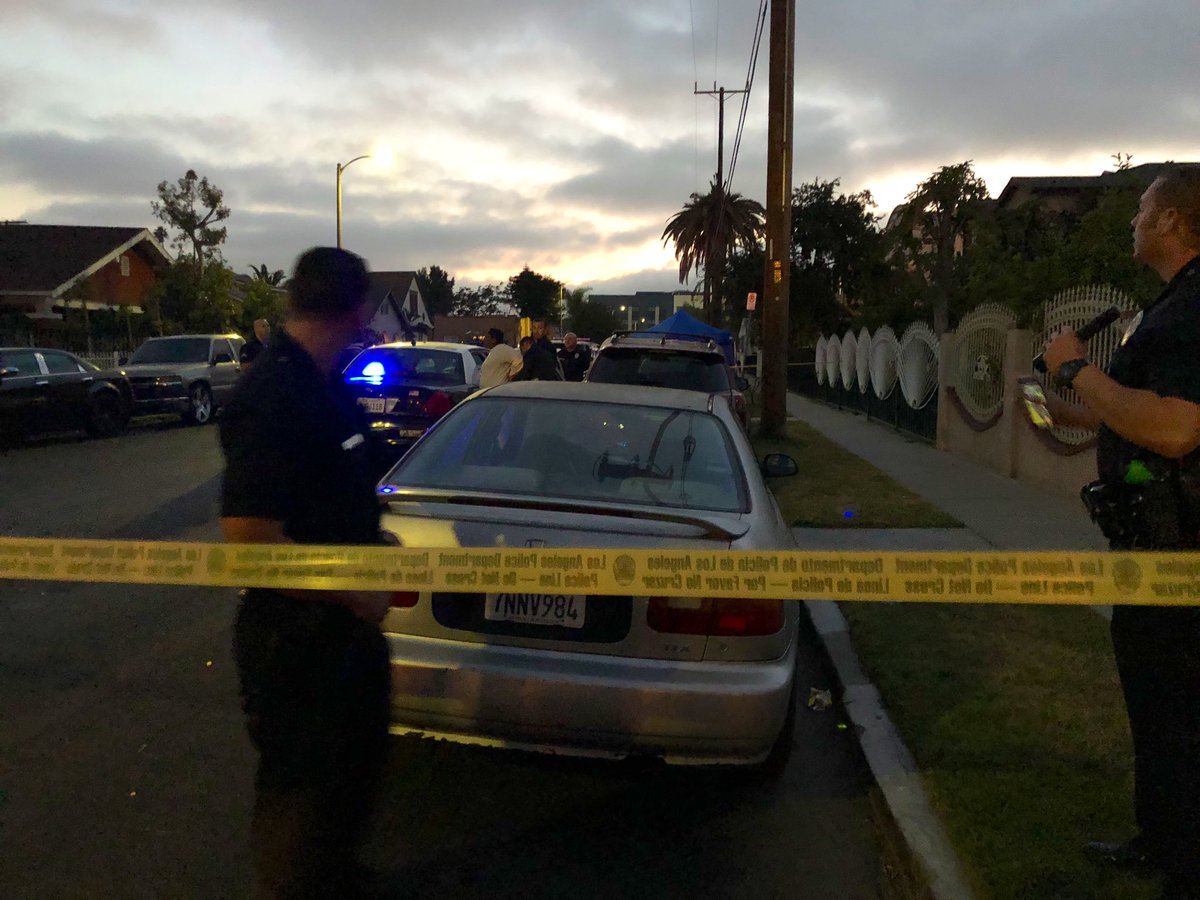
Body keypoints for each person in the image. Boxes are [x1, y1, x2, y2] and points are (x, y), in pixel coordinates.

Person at [1043, 169, 1200, 898]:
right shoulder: (1169, 306)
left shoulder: (1193, 308)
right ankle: (1160, 840)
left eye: (1142, 210)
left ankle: (1184, 866)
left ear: (1171, 220)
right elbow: (1137, 413)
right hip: (1150, 548)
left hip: (1181, 554)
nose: (1133, 220)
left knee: (1179, 714)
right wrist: (1068, 405)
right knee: (1155, 707)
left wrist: (1078, 367)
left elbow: (1175, 430)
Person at [219, 247, 392, 898]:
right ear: (358, 311)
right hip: (298, 641)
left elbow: (331, 499)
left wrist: (376, 544)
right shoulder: (275, 395)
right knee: (301, 793)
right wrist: (356, 592)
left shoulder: (322, 385)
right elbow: (250, 541)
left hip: (338, 635)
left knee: (342, 785)